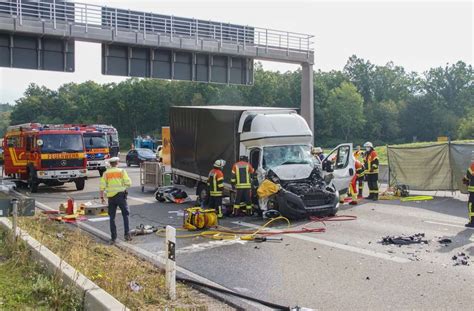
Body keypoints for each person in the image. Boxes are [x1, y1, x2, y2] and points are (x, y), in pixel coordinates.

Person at [100, 157, 132, 244]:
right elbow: (128, 183)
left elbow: (102, 187)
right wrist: (123, 186)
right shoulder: (121, 171)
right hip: (121, 196)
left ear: (110, 164)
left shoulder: (105, 173)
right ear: (117, 163)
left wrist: (102, 198)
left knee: (112, 217)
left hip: (111, 198)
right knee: (125, 214)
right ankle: (127, 234)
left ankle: (113, 238)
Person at [462, 157, 474, 228]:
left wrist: (465, 181)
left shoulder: (472, 167)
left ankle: (472, 222)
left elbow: (466, 178)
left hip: (473, 193)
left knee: (471, 207)